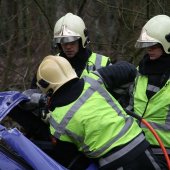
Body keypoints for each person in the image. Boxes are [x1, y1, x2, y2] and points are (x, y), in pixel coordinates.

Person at [35, 55, 163, 170]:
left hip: (113, 163)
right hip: (139, 145)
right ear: (69, 70)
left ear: (45, 87)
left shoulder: (56, 124)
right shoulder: (93, 80)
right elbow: (128, 69)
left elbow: (72, 159)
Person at [126, 14, 170, 168]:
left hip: (165, 152)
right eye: (147, 44)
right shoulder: (140, 71)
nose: (149, 49)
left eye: (154, 45)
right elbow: (131, 107)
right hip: (138, 146)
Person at [30, 12, 110, 89]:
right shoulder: (50, 66)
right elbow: (34, 94)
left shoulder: (102, 63)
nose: (68, 47)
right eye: (63, 41)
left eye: (72, 42)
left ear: (81, 40)